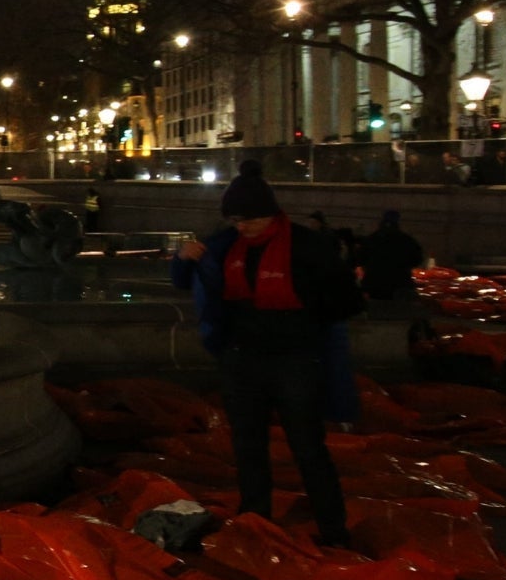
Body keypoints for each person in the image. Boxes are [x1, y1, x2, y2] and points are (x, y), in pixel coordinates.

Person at [171, 168, 359, 548]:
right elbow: (188, 280)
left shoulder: (306, 245)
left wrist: (305, 325)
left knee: (307, 446)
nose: (244, 228)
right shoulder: (225, 245)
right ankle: (254, 519)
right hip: (243, 360)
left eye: (250, 219)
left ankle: (333, 530)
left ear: (271, 214)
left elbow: (343, 300)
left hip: (295, 360)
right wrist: (182, 260)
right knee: (247, 445)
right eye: (236, 220)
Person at [354, 209, 426, 302]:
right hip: (400, 283)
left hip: (374, 283)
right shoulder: (407, 241)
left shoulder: (371, 239)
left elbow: (360, 258)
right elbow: (417, 259)